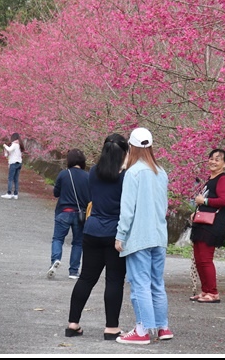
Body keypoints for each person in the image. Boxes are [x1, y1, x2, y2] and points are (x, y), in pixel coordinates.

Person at [66, 133, 129, 340]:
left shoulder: (93, 172)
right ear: (124, 152)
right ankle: (111, 328)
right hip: (114, 233)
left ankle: (73, 323)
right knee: (114, 280)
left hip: (92, 230)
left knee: (86, 278)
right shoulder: (126, 176)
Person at [114, 128, 173, 344]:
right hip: (159, 235)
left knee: (139, 284)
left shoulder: (133, 173)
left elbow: (127, 209)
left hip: (139, 236)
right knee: (157, 283)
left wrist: (120, 235)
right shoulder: (161, 172)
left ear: (132, 147)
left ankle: (142, 329)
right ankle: (163, 327)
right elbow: (163, 206)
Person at [189, 149, 225, 303]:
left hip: (212, 225)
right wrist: (197, 212)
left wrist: (204, 202)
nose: (213, 162)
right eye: (211, 158)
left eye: (218, 159)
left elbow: (224, 200)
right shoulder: (210, 179)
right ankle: (205, 290)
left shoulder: (223, 180)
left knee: (206, 259)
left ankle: (213, 292)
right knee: (199, 258)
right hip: (202, 223)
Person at [48, 149, 90, 280]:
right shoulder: (87, 176)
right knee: (77, 243)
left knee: (58, 239)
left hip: (64, 212)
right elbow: (90, 197)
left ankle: (55, 259)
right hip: (80, 214)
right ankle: (73, 271)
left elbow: (56, 193)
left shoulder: (63, 174)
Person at [1, 133, 24, 199]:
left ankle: (9, 193)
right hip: (19, 163)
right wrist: (5, 149)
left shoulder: (15, 144)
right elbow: (6, 154)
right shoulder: (19, 145)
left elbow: (9, 150)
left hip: (13, 163)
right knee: (16, 179)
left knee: (10, 179)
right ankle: (15, 194)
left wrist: (5, 146)